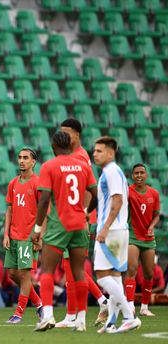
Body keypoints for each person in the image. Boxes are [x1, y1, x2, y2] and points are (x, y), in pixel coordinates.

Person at [31, 131, 98, 332]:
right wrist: (86, 212)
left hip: (59, 225)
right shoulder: (83, 166)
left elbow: (43, 200)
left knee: (47, 271)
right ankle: (81, 320)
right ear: (71, 145)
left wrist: (37, 228)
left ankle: (48, 316)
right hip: (79, 224)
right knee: (79, 272)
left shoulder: (49, 166)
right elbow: (96, 194)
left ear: (53, 147)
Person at [57, 119, 109, 328]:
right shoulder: (74, 156)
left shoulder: (78, 157)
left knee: (74, 266)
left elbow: (89, 189)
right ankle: (73, 314)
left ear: (77, 134)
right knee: (69, 266)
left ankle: (93, 306)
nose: (64, 136)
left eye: (67, 133)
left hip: (79, 219)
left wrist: (86, 215)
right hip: (71, 218)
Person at [93, 136, 141, 333]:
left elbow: (118, 201)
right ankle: (111, 321)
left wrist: (104, 229)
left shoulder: (111, 171)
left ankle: (129, 315)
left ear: (110, 153)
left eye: (99, 151)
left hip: (111, 231)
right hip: (120, 230)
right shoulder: (116, 172)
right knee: (114, 276)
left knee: (102, 277)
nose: (95, 154)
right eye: (94, 151)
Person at [2, 147, 43, 324]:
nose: (21, 160)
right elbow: (9, 210)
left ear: (33, 162)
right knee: (12, 274)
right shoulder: (13, 183)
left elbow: (44, 211)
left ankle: (18, 313)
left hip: (28, 236)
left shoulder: (38, 183)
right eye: (20, 157)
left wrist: (39, 235)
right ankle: (39, 304)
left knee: (25, 275)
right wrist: (5, 234)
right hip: (13, 235)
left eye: (26, 158)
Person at [124, 163, 161, 316]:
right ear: (132, 176)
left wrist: (152, 226)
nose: (139, 175)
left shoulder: (154, 193)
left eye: (141, 173)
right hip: (132, 236)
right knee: (131, 269)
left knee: (149, 273)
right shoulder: (128, 191)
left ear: (146, 175)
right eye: (136, 173)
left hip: (148, 238)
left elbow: (157, 215)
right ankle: (130, 305)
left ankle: (144, 307)